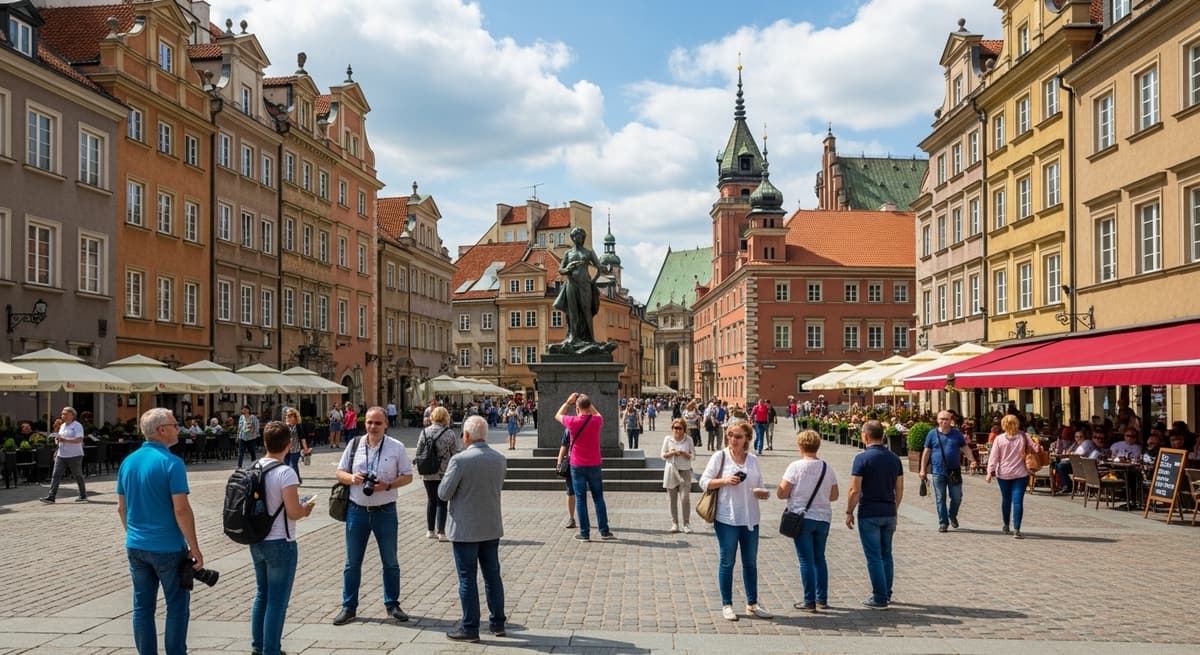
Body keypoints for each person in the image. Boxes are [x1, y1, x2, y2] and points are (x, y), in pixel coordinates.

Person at [116, 408, 203, 655]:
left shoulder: (128, 462)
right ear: (162, 430)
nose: (178, 428)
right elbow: (181, 510)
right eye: (175, 425)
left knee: (142, 607)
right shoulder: (172, 463)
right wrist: (194, 547)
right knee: (177, 605)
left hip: (136, 545)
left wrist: (132, 533)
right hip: (168, 547)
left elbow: (122, 508)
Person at [332, 407, 414, 626]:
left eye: (377, 423)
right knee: (352, 562)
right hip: (356, 510)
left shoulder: (396, 447)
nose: (373, 427)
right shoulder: (354, 444)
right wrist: (352, 478)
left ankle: (392, 604)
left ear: (386, 424)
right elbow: (339, 472)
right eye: (369, 422)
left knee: (390, 561)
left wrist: (388, 485)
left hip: (385, 511)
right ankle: (349, 607)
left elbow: (408, 476)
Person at [438, 415, 507, 642]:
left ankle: (470, 627)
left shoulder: (460, 460)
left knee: (467, 578)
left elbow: (443, 493)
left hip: (465, 528)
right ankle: (498, 623)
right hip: (491, 526)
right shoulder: (499, 459)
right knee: (493, 576)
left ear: (466, 435)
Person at [249, 421, 316, 655]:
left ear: (264, 442)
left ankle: (258, 647)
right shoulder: (285, 472)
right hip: (280, 541)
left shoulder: (254, 467)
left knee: (262, 595)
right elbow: (293, 512)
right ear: (289, 444)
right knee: (277, 601)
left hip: (257, 540)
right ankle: (271, 650)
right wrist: (306, 508)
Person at [699, 421, 772, 621]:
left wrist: (763, 493)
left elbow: (760, 484)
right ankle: (727, 604)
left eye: (738, 436)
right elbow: (704, 482)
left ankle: (752, 603)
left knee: (750, 563)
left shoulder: (753, 460)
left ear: (747, 438)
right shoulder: (720, 456)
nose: (733, 439)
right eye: (730, 435)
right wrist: (724, 481)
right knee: (727, 561)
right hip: (727, 518)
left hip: (750, 518)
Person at [776, 429, 839, 612]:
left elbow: (782, 493)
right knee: (820, 558)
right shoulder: (827, 467)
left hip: (802, 518)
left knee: (806, 560)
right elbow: (834, 495)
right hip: (823, 517)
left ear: (800, 446)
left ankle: (809, 600)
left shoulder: (795, 467)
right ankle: (822, 598)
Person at [844, 420, 904, 610]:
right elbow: (899, 488)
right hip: (889, 512)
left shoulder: (862, 458)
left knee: (874, 556)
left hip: (869, 512)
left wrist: (849, 511)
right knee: (886, 554)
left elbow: (854, 489)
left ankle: (879, 597)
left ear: (866, 436)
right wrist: (894, 508)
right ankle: (887, 592)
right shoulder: (894, 458)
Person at [556, 392, 613, 541]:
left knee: (581, 499)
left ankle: (585, 533)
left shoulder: (572, 422)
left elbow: (558, 415)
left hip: (577, 465)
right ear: (589, 406)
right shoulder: (597, 421)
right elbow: (597, 413)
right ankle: (604, 531)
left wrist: (568, 402)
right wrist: (588, 404)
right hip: (594, 464)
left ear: (577, 407)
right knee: (598, 498)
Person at [551, 227, 613, 353]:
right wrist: (568, 268)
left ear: (583, 238)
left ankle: (590, 339)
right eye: (575, 236)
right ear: (572, 238)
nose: (577, 238)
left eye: (580, 236)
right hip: (571, 284)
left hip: (584, 285)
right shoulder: (568, 253)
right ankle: (573, 337)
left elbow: (599, 267)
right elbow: (561, 270)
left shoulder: (588, 252)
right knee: (572, 311)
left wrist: (593, 281)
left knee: (586, 310)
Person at [919, 411, 978, 533]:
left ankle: (952, 515)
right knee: (940, 498)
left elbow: (965, 448)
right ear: (937, 420)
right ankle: (943, 523)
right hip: (937, 471)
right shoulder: (932, 434)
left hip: (954, 471)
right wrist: (922, 469)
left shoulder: (957, 434)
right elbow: (926, 452)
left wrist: (972, 460)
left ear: (951, 420)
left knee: (957, 497)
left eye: (946, 419)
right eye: (941, 419)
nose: (944, 421)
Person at [986, 414, 1040, 539]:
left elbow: (994, 457)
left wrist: (990, 472)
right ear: (1017, 424)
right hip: (1021, 474)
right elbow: (1036, 449)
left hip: (1003, 474)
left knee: (1006, 500)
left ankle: (1006, 525)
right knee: (1017, 501)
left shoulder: (999, 439)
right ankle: (1017, 529)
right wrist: (1036, 441)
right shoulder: (1024, 436)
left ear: (1003, 425)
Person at [417, 407, 462, 541]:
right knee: (442, 501)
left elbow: (419, 451)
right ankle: (441, 532)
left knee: (431, 500)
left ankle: (430, 531)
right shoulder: (449, 433)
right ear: (446, 417)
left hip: (428, 471)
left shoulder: (424, 432)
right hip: (444, 472)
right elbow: (455, 453)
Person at [40, 406, 87, 504]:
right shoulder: (62, 426)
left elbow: (79, 439)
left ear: (72, 415)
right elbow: (60, 439)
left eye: (65, 414)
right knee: (56, 475)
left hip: (75, 455)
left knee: (77, 475)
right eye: (62, 414)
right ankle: (51, 496)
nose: (63, 416)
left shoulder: (77, 426)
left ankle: (83, 496)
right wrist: (57, 443)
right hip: (61, 455)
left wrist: (64, 439)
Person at [661, 418, 695, 533]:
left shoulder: (689, 439)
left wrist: (686, 454)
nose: (677, 430)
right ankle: (675, 523)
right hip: (671, 470)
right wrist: (671, 453)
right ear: (672, 429)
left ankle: (686, 524)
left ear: (684, 429)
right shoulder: (668, 439)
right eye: (675, 428)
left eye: (680, 428)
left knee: (685, 498)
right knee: (672, 499)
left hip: (685, 471)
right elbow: (662, 455)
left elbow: (693, 456)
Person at [283, 408, 310, 484]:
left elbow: (302, 438)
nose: (288, 417)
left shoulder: (298, 427)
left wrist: (306, 449)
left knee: (293, 465)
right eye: (287, 416)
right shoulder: (285, 427)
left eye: (290, 416)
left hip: (295, 449)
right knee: (286, 465)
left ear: (295, 417)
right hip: (286, 450)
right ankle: (289, 480)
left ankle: (296, 480)